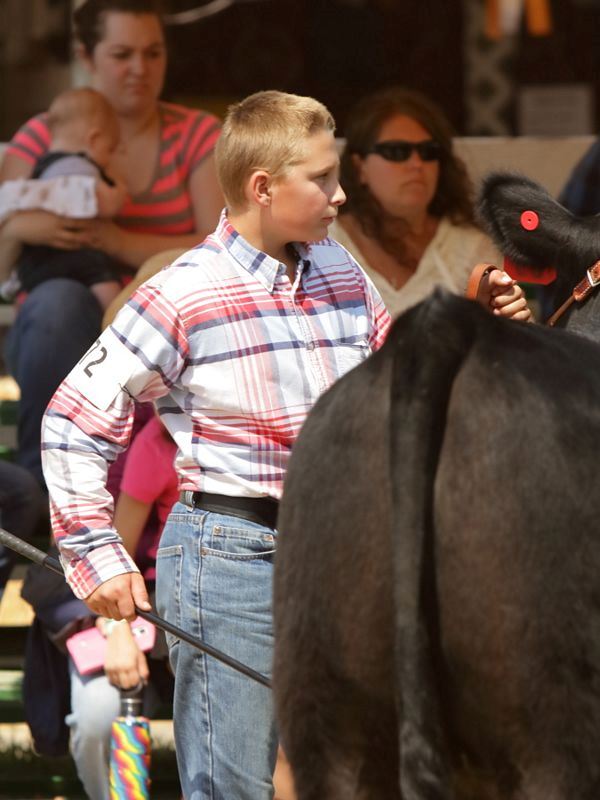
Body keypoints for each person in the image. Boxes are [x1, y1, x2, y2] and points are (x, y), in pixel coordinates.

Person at [41, 90, 528, 800]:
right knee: (234, 787)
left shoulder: (339, 270)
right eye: (324, 178)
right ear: (263, 188)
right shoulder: (183, 292)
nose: (341, 193)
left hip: (343, 552)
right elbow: (70, 422)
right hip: (228, 556)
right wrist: (97, 553)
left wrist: (478, 326)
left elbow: (392, 392)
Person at [0, 0, 223, 487]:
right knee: (59, 301)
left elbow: (219, 247)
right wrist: (17, 231)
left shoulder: (197, 135)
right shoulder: (44, 135)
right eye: (122, 54)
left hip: (167, 331)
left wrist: (116, 240)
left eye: (153, 53)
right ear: (86, 54)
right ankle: (46, 493)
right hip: (57, 334)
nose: (139, 70)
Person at [330, 86, 528, 320]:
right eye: (397, 151)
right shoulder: (324, 242)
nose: (416, 164)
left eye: (428, 151)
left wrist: (513, 318)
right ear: (359, 166)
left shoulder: (473, 248)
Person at [67, 412, 177, 800]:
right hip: (145, 609)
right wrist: (118, 627)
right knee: (98, 713)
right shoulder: (157, 441)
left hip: (225, 619)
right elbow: (118, 559)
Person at [0, 87, 127, 310]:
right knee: (111, 293)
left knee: (41, 303)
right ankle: (118, 329)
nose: (109, 160)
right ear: (94, 140)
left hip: (36, 263)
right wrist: (119, 189)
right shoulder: (80, 171)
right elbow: (106, 205)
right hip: (76, 255)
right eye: (110, 150)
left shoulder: (40, 171)